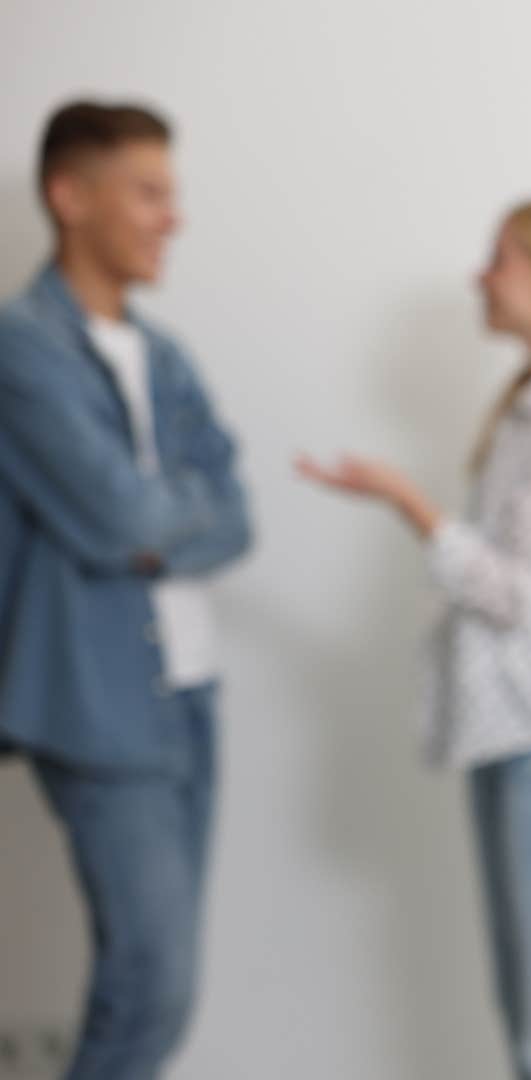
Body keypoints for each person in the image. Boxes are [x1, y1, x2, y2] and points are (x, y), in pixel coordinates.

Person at [298, 200, 531, 1079]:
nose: (480, 277)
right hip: (509, 735)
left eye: (499, 260)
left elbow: (520, 594)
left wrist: (410, 504)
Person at [0, 101, 252, 1080]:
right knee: (153, 980)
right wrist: (157, 518)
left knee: (158, 982)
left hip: (190, 692)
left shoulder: (163, 353)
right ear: (70, 196)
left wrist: (158, 518)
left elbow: (234, 513)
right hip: (97, 700)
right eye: (148, 192)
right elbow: (117, 519)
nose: (171, 217)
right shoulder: (23, 347)